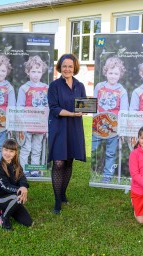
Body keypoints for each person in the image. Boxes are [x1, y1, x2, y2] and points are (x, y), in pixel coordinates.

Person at [48, 53, 86, 214]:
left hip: (74, 128)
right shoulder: (54, 86)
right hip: (58, 127)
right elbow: (53, 108)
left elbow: (83, 104)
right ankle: (57, 199)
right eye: (64, 66)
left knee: (69, 161)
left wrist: (83, 110)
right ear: (60, 67)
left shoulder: (80, 85)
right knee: (58, 163)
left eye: (70, 66)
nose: (67, 69)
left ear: (74, 67)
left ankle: (63, 194)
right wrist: (71, 114)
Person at [92, 56, 128, 183]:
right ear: (106, 72)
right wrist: (94, 122)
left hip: (113, 127)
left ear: (120, 74)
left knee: (110, 153)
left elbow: (124, 112)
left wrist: (122, 130)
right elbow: (94, 105)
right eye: (110, 72)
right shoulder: (99, 87)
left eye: (116, 73)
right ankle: (93, 171)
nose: (113, 76)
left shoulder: (122, 91)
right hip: (98, 125)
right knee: (93, 147)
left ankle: (107, 176)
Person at [16, 55, 49, 177]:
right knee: (26, 148)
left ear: (42, 72)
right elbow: (19, 107)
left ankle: (34, 170)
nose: (36, 74)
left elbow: (48, 108)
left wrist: (47, 126)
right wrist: (20, 125)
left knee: (37, 149)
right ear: (28, 72)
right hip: (27, 124)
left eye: (38, 71)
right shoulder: (24, 88)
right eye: (33, 71)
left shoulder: (46, 88)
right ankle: (23, 171)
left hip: (40, 125)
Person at [0, 139, 33, 230]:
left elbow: (22, 178)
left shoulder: (16, 165)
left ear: (15, 153)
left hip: (15, 198)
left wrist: (23, 187)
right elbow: (5, 186)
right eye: (6, 150)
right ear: (2, 150)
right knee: (18, 196)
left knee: (28, 222)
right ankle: (4, 217)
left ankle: (8, 210)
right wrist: (20, 191)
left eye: (11, 151)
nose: (8, 153)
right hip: (1, 199)